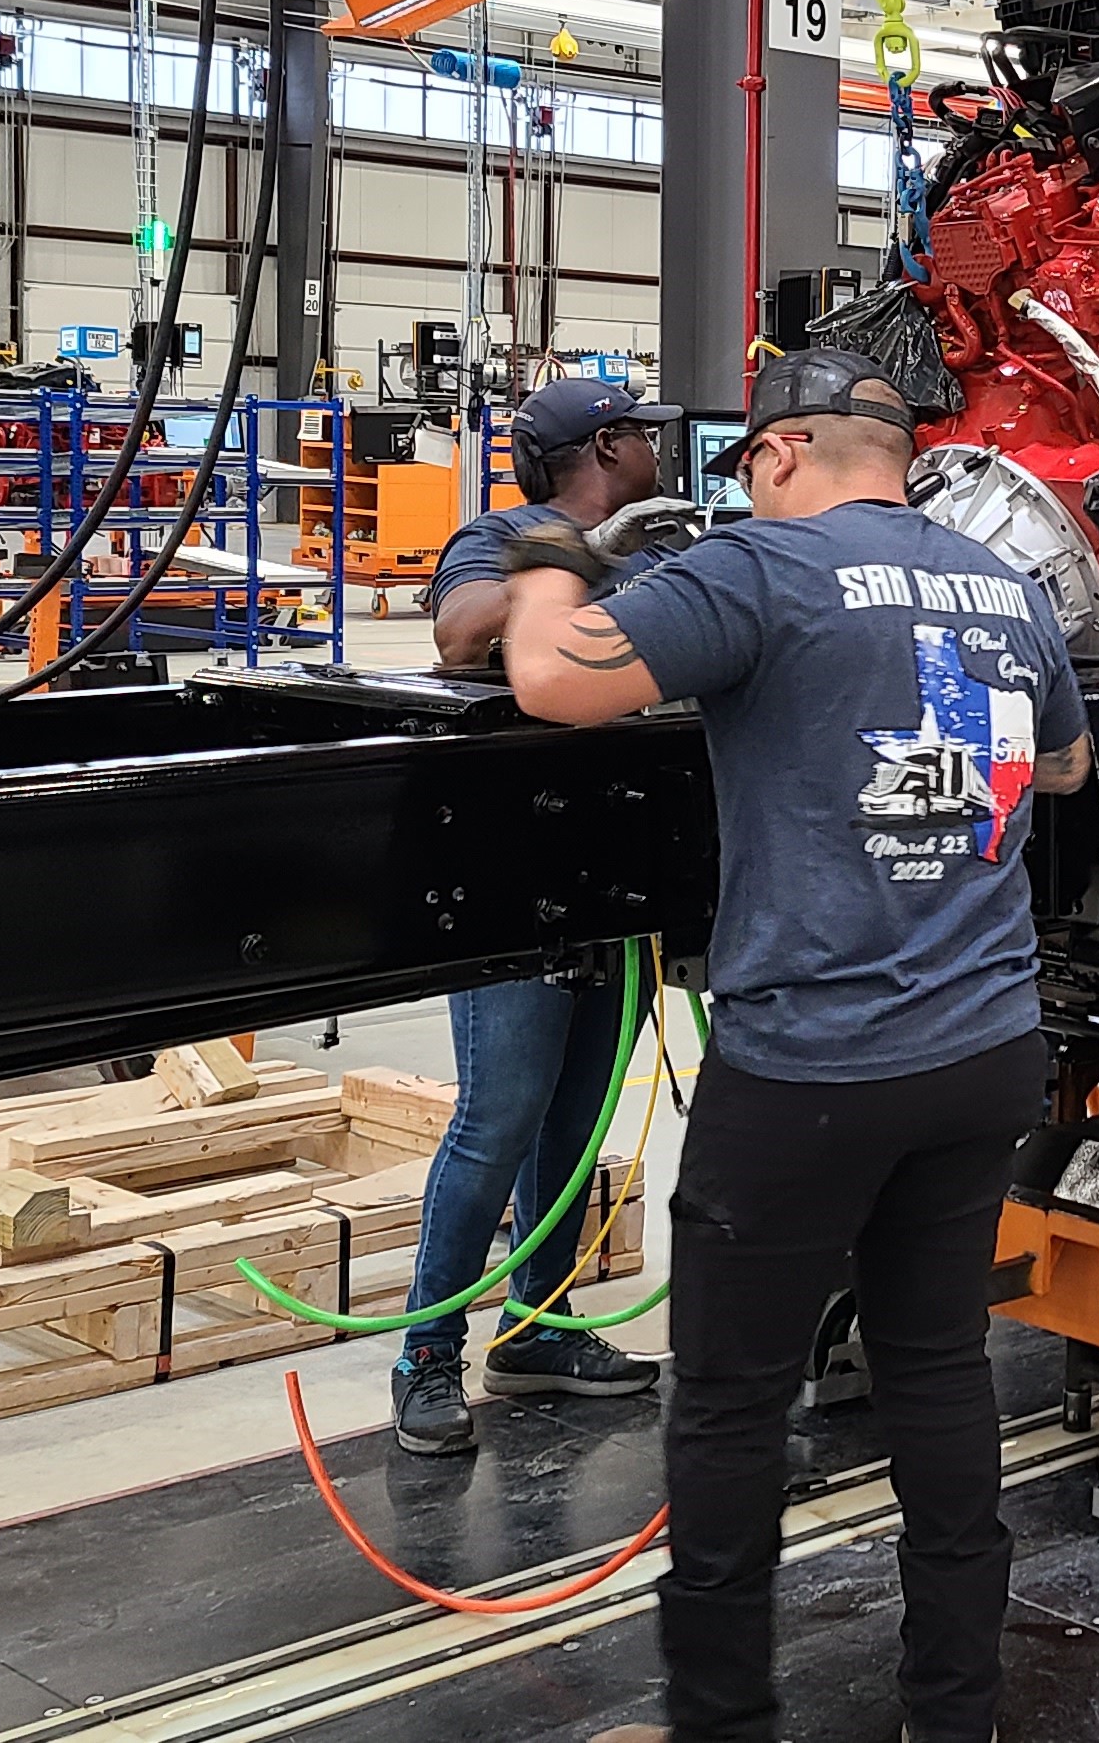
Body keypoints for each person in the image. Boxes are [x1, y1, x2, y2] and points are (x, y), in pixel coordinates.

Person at [501, 346, 1090, 1743]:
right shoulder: (1003, 586)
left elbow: (552, 682)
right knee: (938, 1369)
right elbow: (1060, 764)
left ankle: (721, 1721)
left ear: (776, 457)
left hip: (813, 1068)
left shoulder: (761, 571)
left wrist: (541, 553)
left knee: (729, 1404)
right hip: (984, 1046)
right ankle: (954, 1717)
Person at [394, 375, 690, 1455]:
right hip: (521, 884)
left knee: (573, 1125)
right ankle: (426, 1357)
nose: (664, 455)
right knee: (498, 1121)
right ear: (607, 446)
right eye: (646, 439)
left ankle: (539, 1326)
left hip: (620, 883)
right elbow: (460, 640)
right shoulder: (503, 535)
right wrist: (584, 552)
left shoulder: (665, 546)